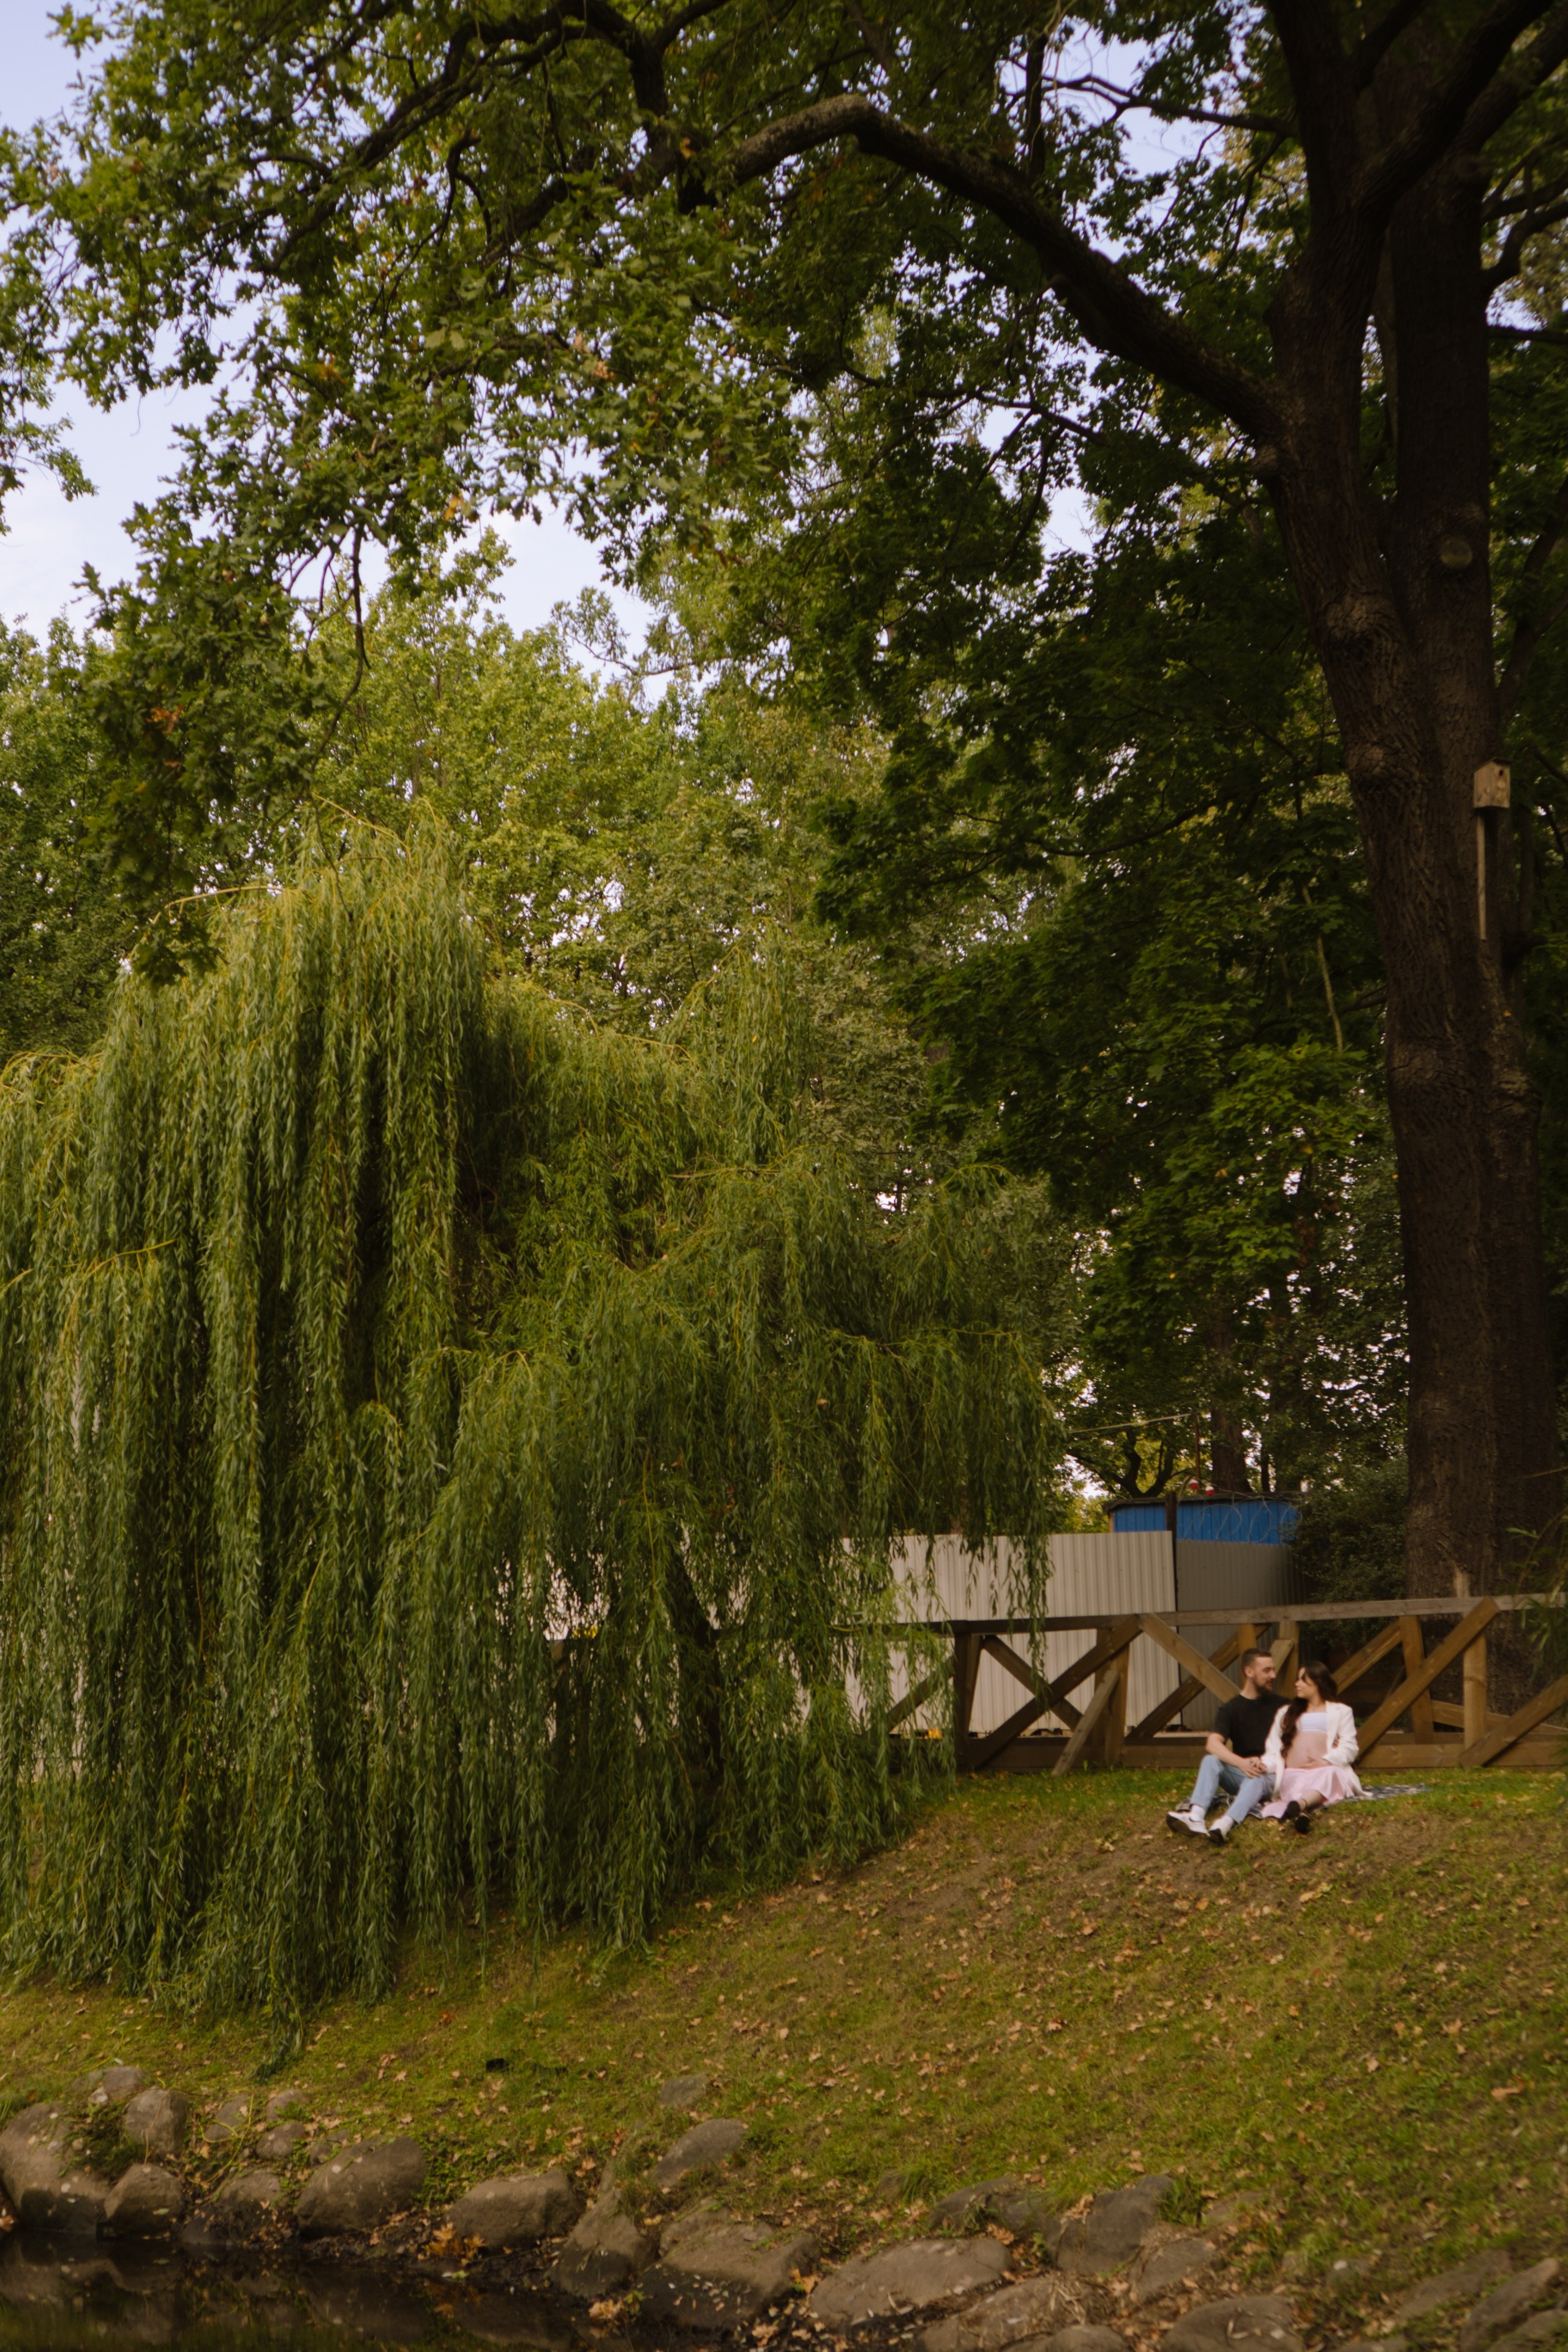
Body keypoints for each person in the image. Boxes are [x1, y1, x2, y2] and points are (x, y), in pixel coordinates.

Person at [1165, 1646, 1287, 1846]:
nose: (1273, 1675)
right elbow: (1213, 1744)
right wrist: (1241, 1763)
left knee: (1257, 1777)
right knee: (1211, 1760)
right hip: (1243, 1775)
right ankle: (1196, 1817)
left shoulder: (1284, 1706)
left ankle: (1227, 1823)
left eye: (1273, 1670)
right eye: (1267, 1671)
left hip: (1273, 1775)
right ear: (1249, 1672)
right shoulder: (1231, 1709)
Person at [1259, 1661, 1361, 1830]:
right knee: (1296, 1783)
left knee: (1331, 1774)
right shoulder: (1286, 1713)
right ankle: (1300, 1810)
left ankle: (1299, 1805)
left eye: (1302, 1680)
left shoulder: (1341, 1711)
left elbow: (1350, 1747)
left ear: (1318, 1682)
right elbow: (1273, 1747)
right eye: (1297, 1680)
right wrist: (1265, 1765)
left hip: (1324, 1770)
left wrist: (1327, 1761)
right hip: (1294, 1771)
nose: (1297, 1684)